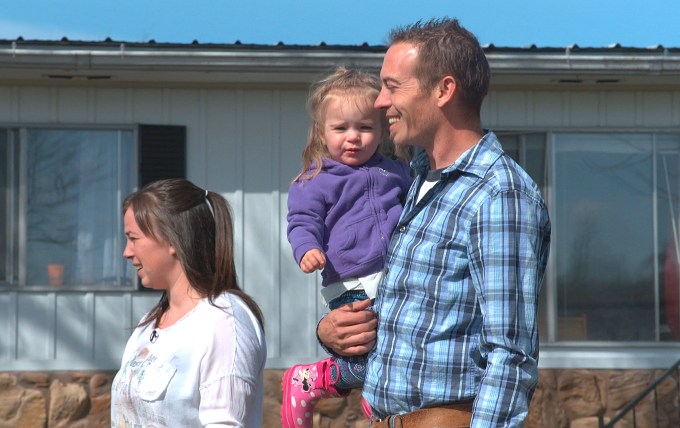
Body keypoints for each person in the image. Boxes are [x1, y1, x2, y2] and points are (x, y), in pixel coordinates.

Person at [317, 18, 552, 427]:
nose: (378, 101)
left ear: (444, 90)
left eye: (393, 86)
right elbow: (410, 320)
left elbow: (510, 354)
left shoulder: (498, 194)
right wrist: (332, 333)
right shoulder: (414, 180)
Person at [282, 67, 412, 427]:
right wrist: (306, 249)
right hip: (349, 281)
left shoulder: (396, 172)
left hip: (392, 277)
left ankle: (376, 391)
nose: (353, 138)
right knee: (360, 352)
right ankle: (309, 380)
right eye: (341, 128)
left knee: (394, 346)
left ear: (382, 129)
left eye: (364, 128)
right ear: (322, 132)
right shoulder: (315, 179)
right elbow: (302, 222)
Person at [111, 179, 266, 427]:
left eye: (133, 238)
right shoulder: (147, 324)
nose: (126, 252)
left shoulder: (223, 321)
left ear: (172, 239)